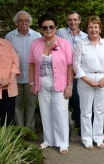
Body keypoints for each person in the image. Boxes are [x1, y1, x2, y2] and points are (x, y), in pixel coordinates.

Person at [29, 13, 73, 155]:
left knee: (60, 114)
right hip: (42, 85)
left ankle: (62, 143)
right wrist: (31, 83)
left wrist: (69, 85)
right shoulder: (35, 43)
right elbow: (31, 64)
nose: (48, 29)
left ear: (56, 27)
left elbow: (70, 66)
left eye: (51, 27)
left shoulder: (64, 43)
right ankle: (48, 140)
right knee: (45, 113)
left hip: (60, 85)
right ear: (41, 29)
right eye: (45, 27)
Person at [73, 15, 104, 150]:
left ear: (100, 29)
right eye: (90, 27)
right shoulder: (81, 44)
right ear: (87, 28)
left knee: (99, 110)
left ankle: (98, 137)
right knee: (85, 111)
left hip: (103, 79)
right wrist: (87, 80)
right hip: (86, 80)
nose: (93, 30)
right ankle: (87, 139)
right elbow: (76, 65)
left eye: (96, 27)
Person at [5, 10, 42, 130]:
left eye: (26, 20)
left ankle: (29, 130)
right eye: (20, 20)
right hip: (15, 78)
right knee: (17, 106)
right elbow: (6, 57)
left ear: (30, 22)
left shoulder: (37, 36)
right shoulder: (9, 37)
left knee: (31, 105)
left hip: (32, 78)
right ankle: (20, 131)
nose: (23, 22)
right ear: (16, 22)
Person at [56, 11, 87, 133]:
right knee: (63, 101)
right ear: (67, 21)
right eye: (70, 20)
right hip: (63, 74)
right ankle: (64, 128)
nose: (72, 22)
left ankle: (80, 128)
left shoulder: (85, 36)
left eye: (75, 20)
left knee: (79, 102)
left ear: (79, 21)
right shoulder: (60, 33)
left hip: (79, 75)